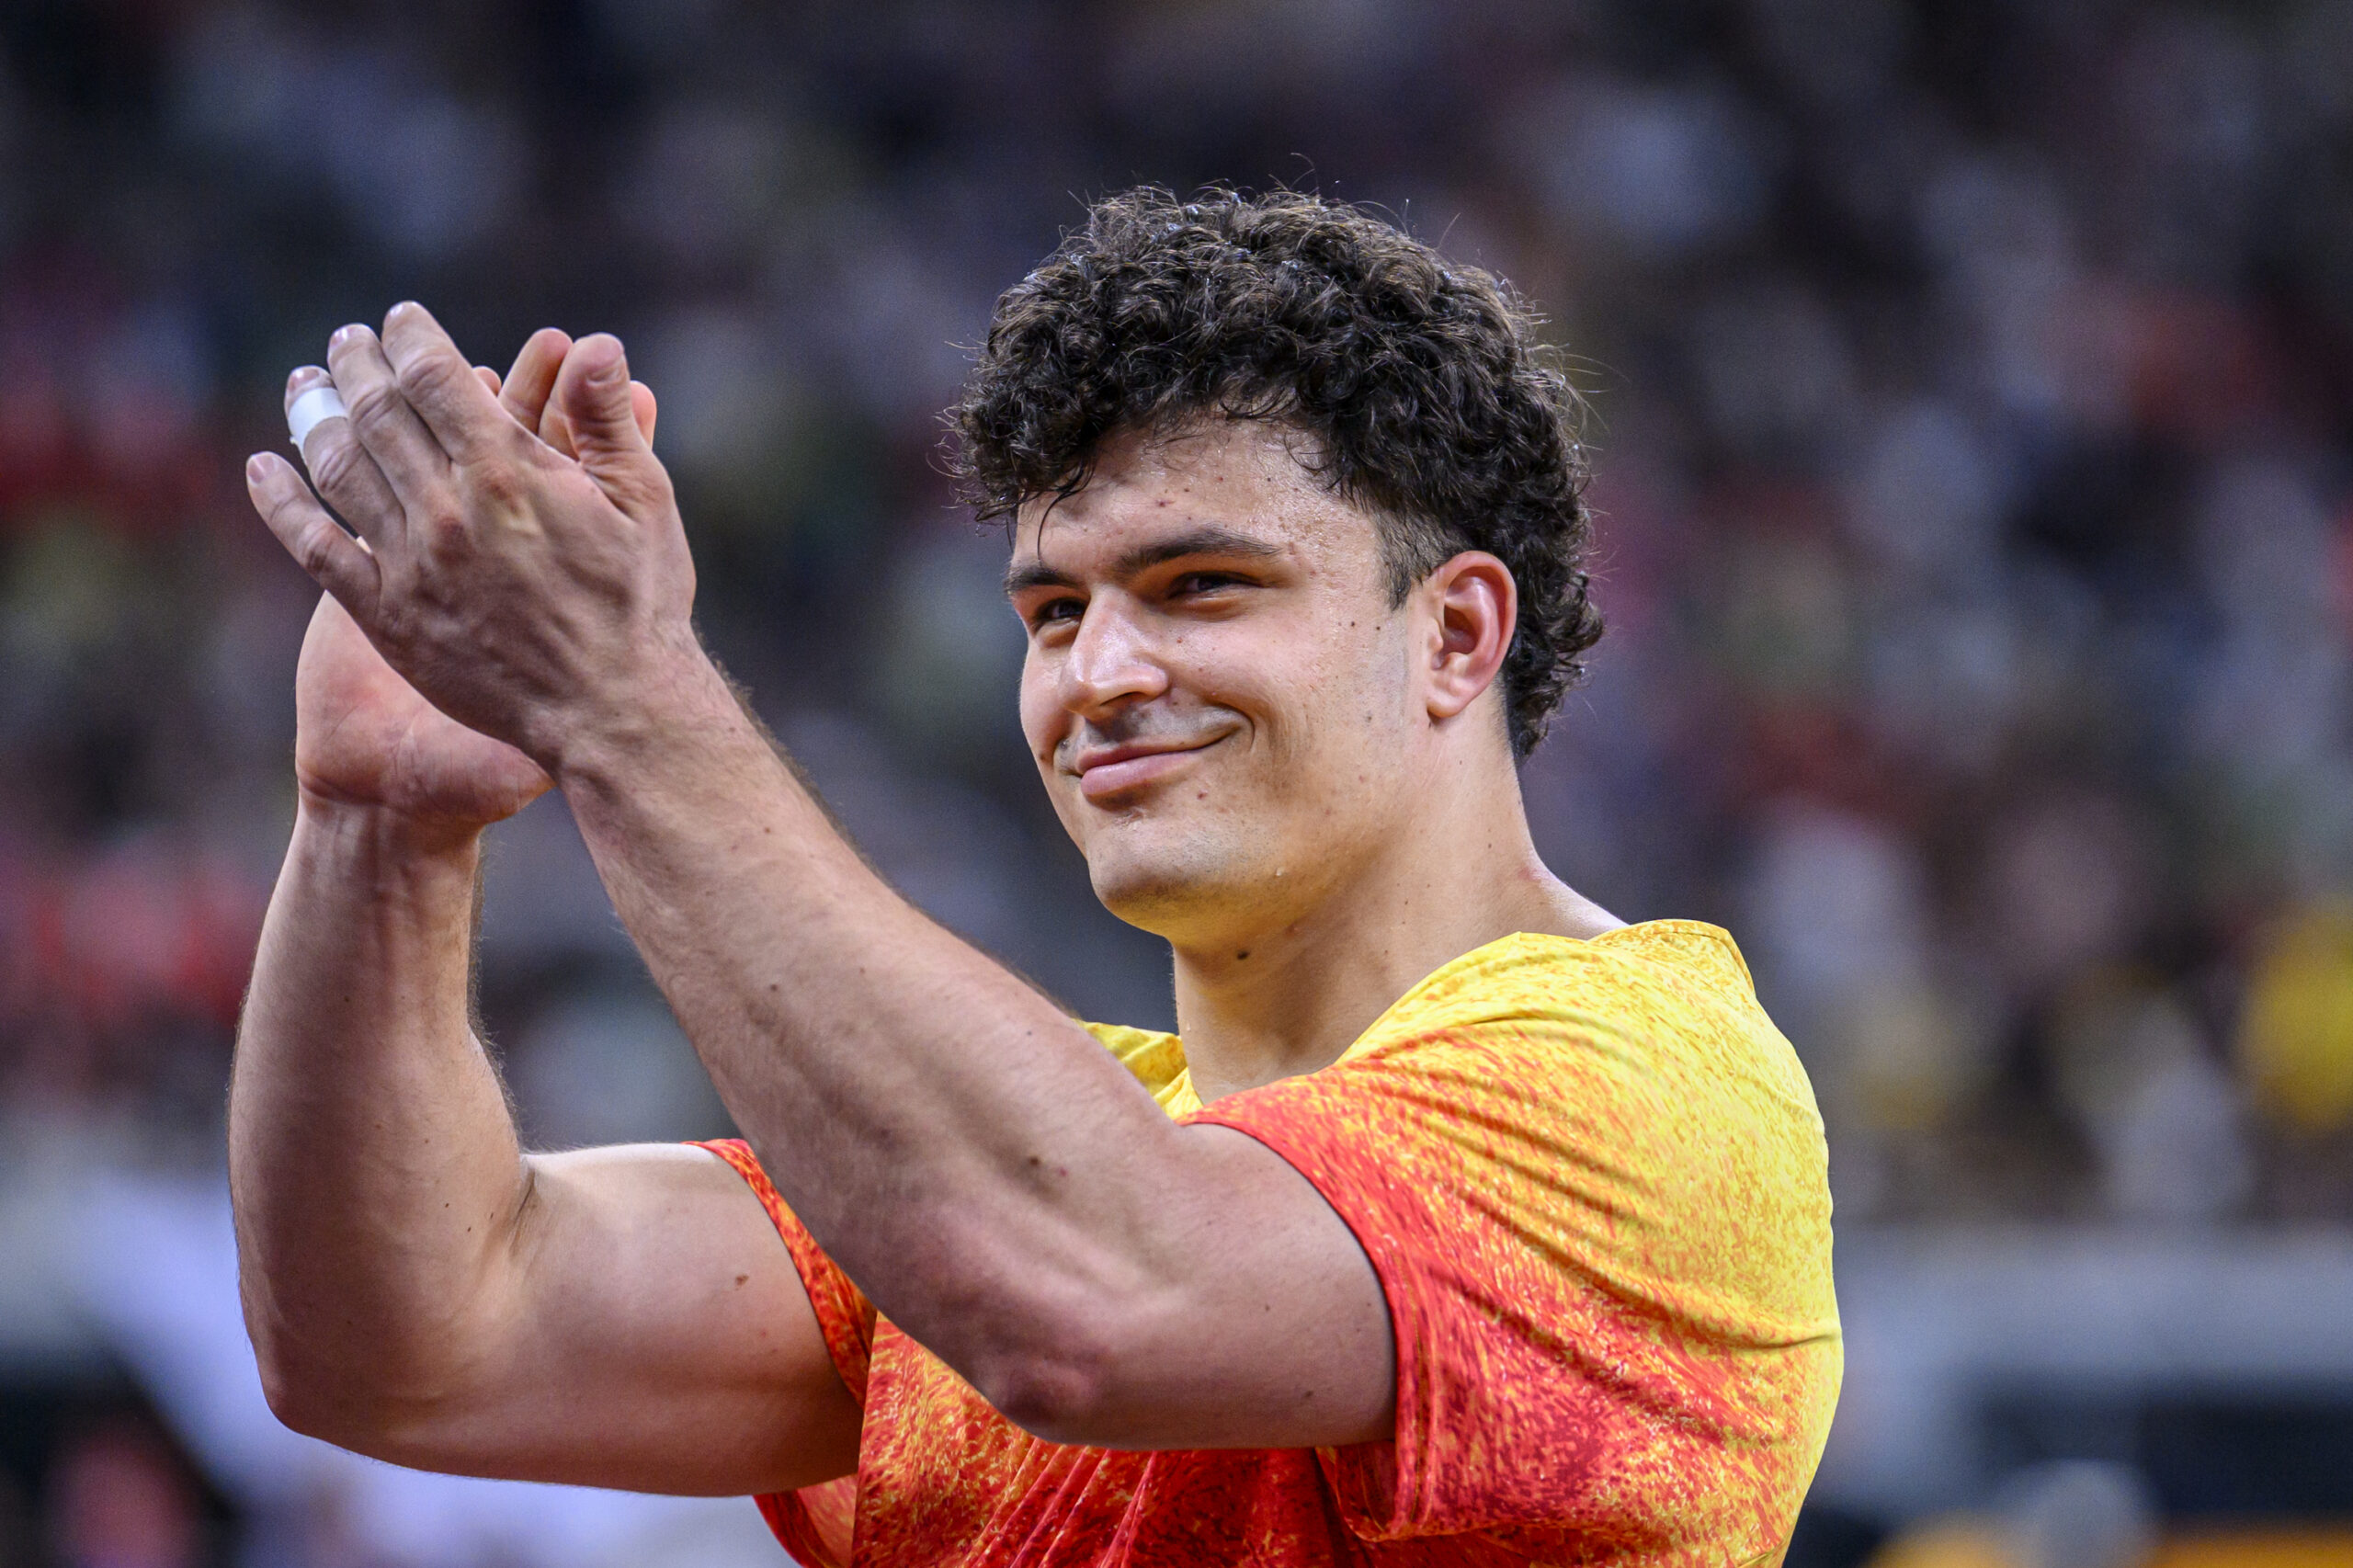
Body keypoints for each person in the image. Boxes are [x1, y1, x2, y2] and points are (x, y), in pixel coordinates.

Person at [230, 188, 1840, 1567]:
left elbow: (1085, 1301)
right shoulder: (1009, 1166)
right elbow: (412, 1342)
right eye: (1056, 611)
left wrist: (619, 700)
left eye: (1202, 584)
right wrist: (379, 826)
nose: (1102, 674)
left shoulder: (1649, 1085)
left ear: (1458, 634)